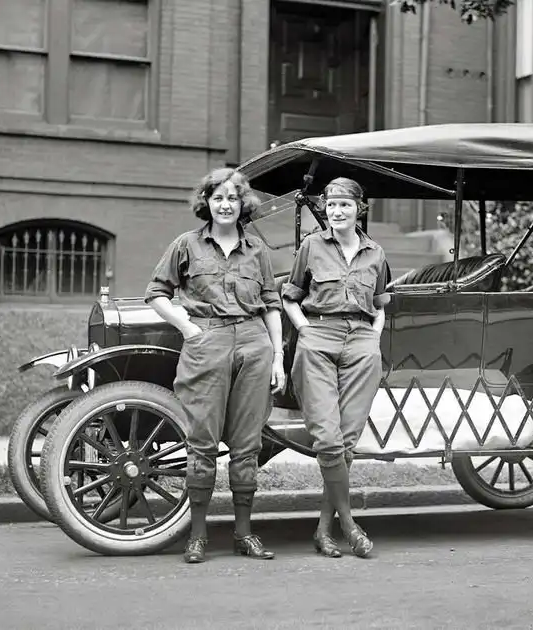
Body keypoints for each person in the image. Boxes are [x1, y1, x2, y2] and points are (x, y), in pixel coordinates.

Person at [145, 168, 286, 564]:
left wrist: (277, 357)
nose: (226, 205)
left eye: (233, 198)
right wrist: (188, 329)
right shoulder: (186, 245)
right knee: (202, 443)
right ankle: (198, 536)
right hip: (206, 342)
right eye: (218, 197)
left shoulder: (256, 249)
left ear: (243, 205)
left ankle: (244, 534)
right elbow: (156, 293)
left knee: (247, 444)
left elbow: (271, 305)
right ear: (206, 202)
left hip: (254, 343)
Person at [281, 177, 389, 559]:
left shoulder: (376, 253)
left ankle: (323, 531)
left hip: (361, 345)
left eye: (344, 204)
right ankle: (349, 525)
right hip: (318, 340)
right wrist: (305, 331)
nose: (337, 211)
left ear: (360, 208)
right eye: (331, 205)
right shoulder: (311, 246)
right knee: (327, 440)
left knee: (345, 445)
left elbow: (380, 305)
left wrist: (373, 337)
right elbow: (290, 297)